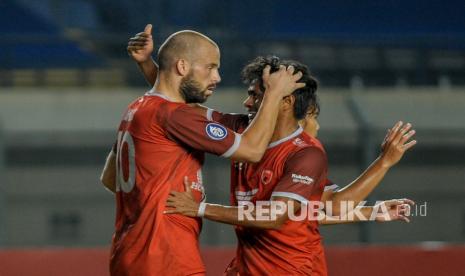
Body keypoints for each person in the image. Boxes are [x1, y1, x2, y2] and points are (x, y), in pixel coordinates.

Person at [126, 28, 416, 274]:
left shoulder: (305, 154)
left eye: (256, 95)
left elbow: (283, 214)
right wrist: (150, 65)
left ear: (284, 101)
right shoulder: (243, 132)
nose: (247, 102)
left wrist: (201, 208)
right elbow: (182, 108)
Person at [100, 27, 305, 275]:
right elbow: (251, 150)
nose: (217, 77)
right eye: (210, 67)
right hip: (166, 257)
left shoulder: (137, 110)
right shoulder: (175, 116)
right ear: (183, 67)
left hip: (128, 255)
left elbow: (110, 179)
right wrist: (273, 94)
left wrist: (147, 64)